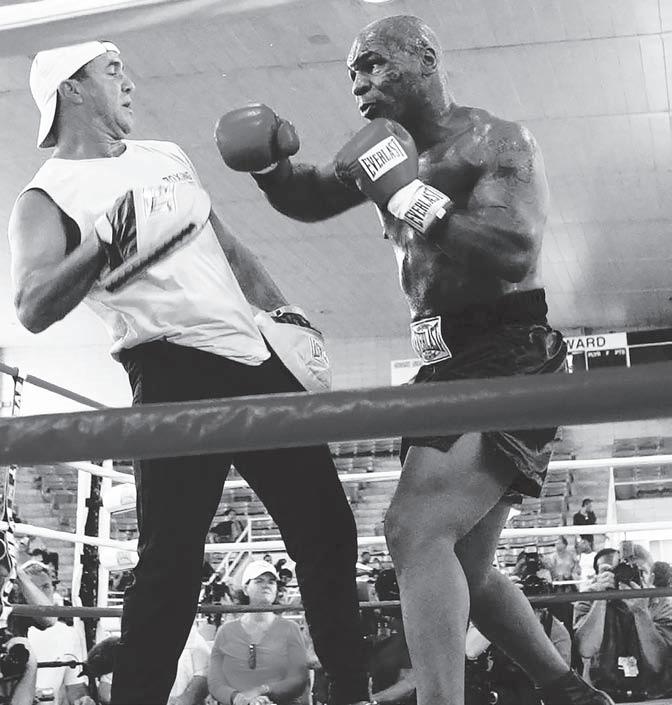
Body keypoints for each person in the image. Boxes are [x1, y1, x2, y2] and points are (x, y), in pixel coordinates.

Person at [215, 14, 610, 705]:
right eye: (353, 74)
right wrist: (271, 167)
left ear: (425, 58)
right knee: (463, 563)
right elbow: (312, 194)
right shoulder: (380, 149)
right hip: (438, 358)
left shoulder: (496, 141)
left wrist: (408, 196)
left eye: (374, 64)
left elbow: (513, 248)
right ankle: (566, 688)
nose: (360, 84)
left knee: (413, 529)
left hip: (507, 348)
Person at [9, 40, 368, 705]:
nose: (128, 82)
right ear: (72, 89)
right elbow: (31, 306)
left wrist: (287, 313)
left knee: (328, 531)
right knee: (170, 564)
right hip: (170, 368)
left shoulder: (166, 157)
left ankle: (351, 693)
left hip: (256, 361)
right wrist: (106, 238)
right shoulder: (45, 195)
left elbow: (227, 246)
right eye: (111, 71)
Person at [573, 544, 672, 701]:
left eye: (639, 572)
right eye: (619, 571)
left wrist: (641, 612)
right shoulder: (589, 597)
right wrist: (601, 599)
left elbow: (659, 662)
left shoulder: (661, 602)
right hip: (603, 694)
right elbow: (585, 650)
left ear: (652, 578)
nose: (629, 576)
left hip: (653, 694)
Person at [208, 560, 310, 705]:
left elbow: (298, 678)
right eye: (259, 581)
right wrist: (237, 698)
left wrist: (262, 691)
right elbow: (215, 682)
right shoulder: (225, 631)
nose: (266, 585)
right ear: (245, 589)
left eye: (271, 582)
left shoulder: (290, 629)